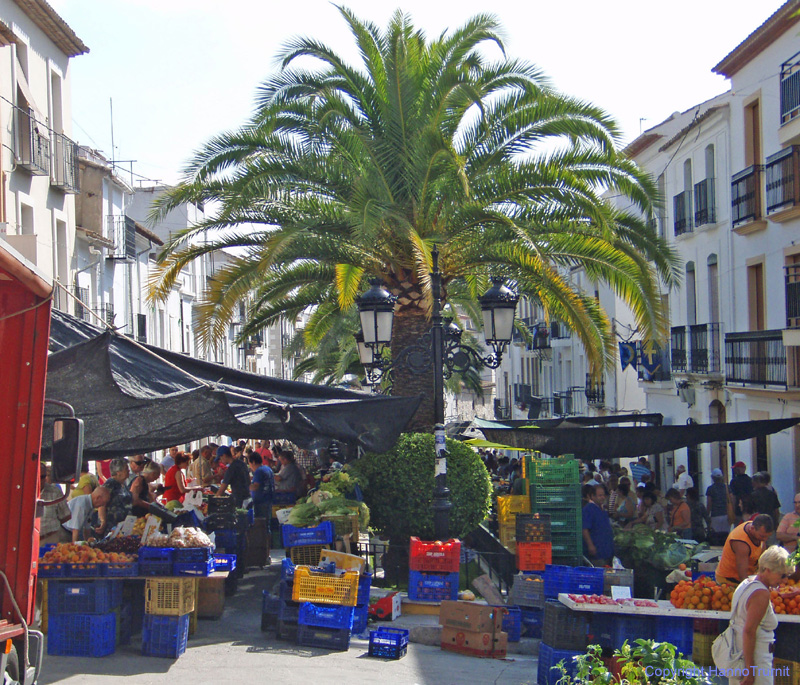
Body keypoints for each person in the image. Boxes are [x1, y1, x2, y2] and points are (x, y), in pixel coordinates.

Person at [724, 546, 798, 685]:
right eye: (782, 575)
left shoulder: (747, 583)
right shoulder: (761, 594)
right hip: (755, 660)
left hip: (738, 655)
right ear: (767, 570)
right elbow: (749, 631)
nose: (784, 581)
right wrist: (750, 670)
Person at [716, 514, 775, 586]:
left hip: (749, 577)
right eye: (762, 536)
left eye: (767, 537)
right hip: (729, 581)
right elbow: (742, 576)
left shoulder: (758, 531)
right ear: (752, 528)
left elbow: (762, 560)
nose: (765, 539)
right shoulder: (741, 543)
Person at [94, 458, 134, 535]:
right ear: (119, 472)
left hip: (124, 526)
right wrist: (103, 521)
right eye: (126, 469)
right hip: (112, 527)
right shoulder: (110, 485)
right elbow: (101, 504)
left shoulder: (123, 484)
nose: (129, 471)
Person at [582, 484, 614, 566]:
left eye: (603, 495)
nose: (603, 497)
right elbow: (584, 529)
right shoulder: (588, 509)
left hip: (605, 550)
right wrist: (590, 545)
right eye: (600, 495)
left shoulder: (602, 509)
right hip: (597, 552)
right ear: (592, 496)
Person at [39, 463, 71, 544]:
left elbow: (66, 515)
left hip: (50, 538)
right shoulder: (22, 492)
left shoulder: (55, 492)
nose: (39, 480)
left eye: (42, 477)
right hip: (28, 539)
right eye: (36, 476)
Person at [706, 468, 731, 545]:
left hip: (715, 515)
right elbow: (731, 499)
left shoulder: (710, 489)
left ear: (713, 478)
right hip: (726, 514)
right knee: (726, 535)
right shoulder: (727, 487)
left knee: (716, 535)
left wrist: (707, 514)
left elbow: (709, 503)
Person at [248, 453, 274, 520]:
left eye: (249, 464)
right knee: (267, 522)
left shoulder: (259, 471)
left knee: (260, 522)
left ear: (253, 462)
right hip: (268, 499)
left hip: (261, 501)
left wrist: (245, 487)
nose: (250, 466)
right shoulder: (268, 468)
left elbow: (256, 486)